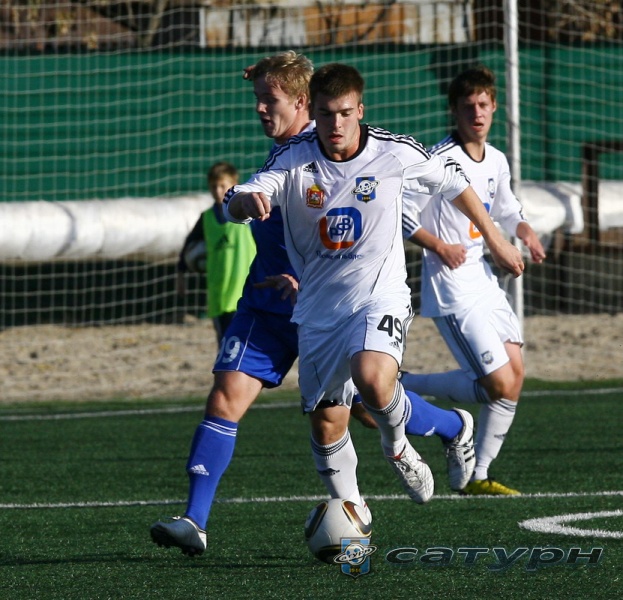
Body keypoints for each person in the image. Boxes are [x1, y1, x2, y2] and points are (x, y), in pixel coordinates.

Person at [150, 53, 478, 558]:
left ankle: (452, 427)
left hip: (335, 306)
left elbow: (386, 216)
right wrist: (239, 203)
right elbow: (240, 201)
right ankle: (196, 520)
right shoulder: (283, 159)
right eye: (258, 97)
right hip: (268, 307)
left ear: (303, 102)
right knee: (227, 398)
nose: (260, 108)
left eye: (270, 99)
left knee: (367, 405)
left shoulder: (345, 151)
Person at [224, 64, 524, 528]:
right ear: (313, 112)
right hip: (318, 309)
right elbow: (242, 195)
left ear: (360, 110)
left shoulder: (394, 152)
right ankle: (354, 514)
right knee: (328, 423)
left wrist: (498, 239)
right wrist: (244, 203)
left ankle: (397, 446)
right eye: (326, 114)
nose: (336, 124)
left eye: (345, 113)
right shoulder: (293, 157)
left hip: (379, 296)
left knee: (371, 377)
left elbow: (456, 183)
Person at [400, 65, 546, 496]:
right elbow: (403, 213)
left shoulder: (496, 159)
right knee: (497, 383)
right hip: (450, 286)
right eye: (468, 106)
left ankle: (479, 474)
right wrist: (438, 245)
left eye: (483, 104)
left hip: (483, 279)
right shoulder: (437, 161)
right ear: (454, 110)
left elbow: (506, 209)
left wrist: (525, 231)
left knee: (514, 375)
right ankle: (404, 384)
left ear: (494, 106)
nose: (477, 113)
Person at [176, 161, 256, 344]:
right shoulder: (207, 218)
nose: (218, 191)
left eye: (223, 186)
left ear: (234, 185)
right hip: (219, 295)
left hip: (246, 293)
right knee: (225, 347)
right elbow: (188, 246)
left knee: (246, 346)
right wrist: (181, 274)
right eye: (214, 186)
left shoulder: (248, 214)